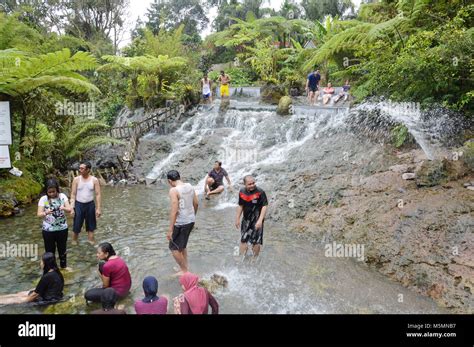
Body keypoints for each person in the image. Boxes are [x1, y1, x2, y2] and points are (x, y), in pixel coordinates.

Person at [166, 170, 198, 276]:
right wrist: (193, 216)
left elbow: (174, 210)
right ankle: (185, 266)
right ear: (180, 177)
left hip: (181, 222)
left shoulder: (173, 190)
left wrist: (170, 229)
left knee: (173, 248)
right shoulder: (190, 186)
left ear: (170, 181)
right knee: (182, 246)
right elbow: (196, 203)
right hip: (190, 220)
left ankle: (184, 271)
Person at [37, 178, 72, 269]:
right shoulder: (44, 199)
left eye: (54, 191)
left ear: (57, 189)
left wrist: (63, 208)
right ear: (46, 191)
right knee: (49, 252)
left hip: (62, 229)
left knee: (62, 250)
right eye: (50, 192)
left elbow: (69, 209)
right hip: (48, 230)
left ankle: (64, 267)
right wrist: (45, 213)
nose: (52, 194)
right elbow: (39, 214)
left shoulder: (62, 196)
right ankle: (51, 269)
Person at [235, 175, 268, 260]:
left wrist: (260, 220)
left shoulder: (260, 192)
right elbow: (241, 205)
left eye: (253, 183)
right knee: (243, 239)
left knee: (256, 241)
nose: (252, 185)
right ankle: (241, 259)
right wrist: (237, 218)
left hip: (257, 220)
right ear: (245, 184)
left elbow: (264, 206)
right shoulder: (242, 192)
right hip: (246, 219)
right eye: (249, 184)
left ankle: (254, 260)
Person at [70, 161, 102, 245]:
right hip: (78, 204)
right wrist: (71, 207)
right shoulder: (76, 179)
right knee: (77, 224)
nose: (80, 170)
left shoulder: (94, 180)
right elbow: (73, 194)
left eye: (82, 168)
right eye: (79, 168)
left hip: (90, 205)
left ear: (88, 170)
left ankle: (91, 240)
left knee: (91, 225)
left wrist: (98, 208)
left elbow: (98, 194)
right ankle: (74, 241)